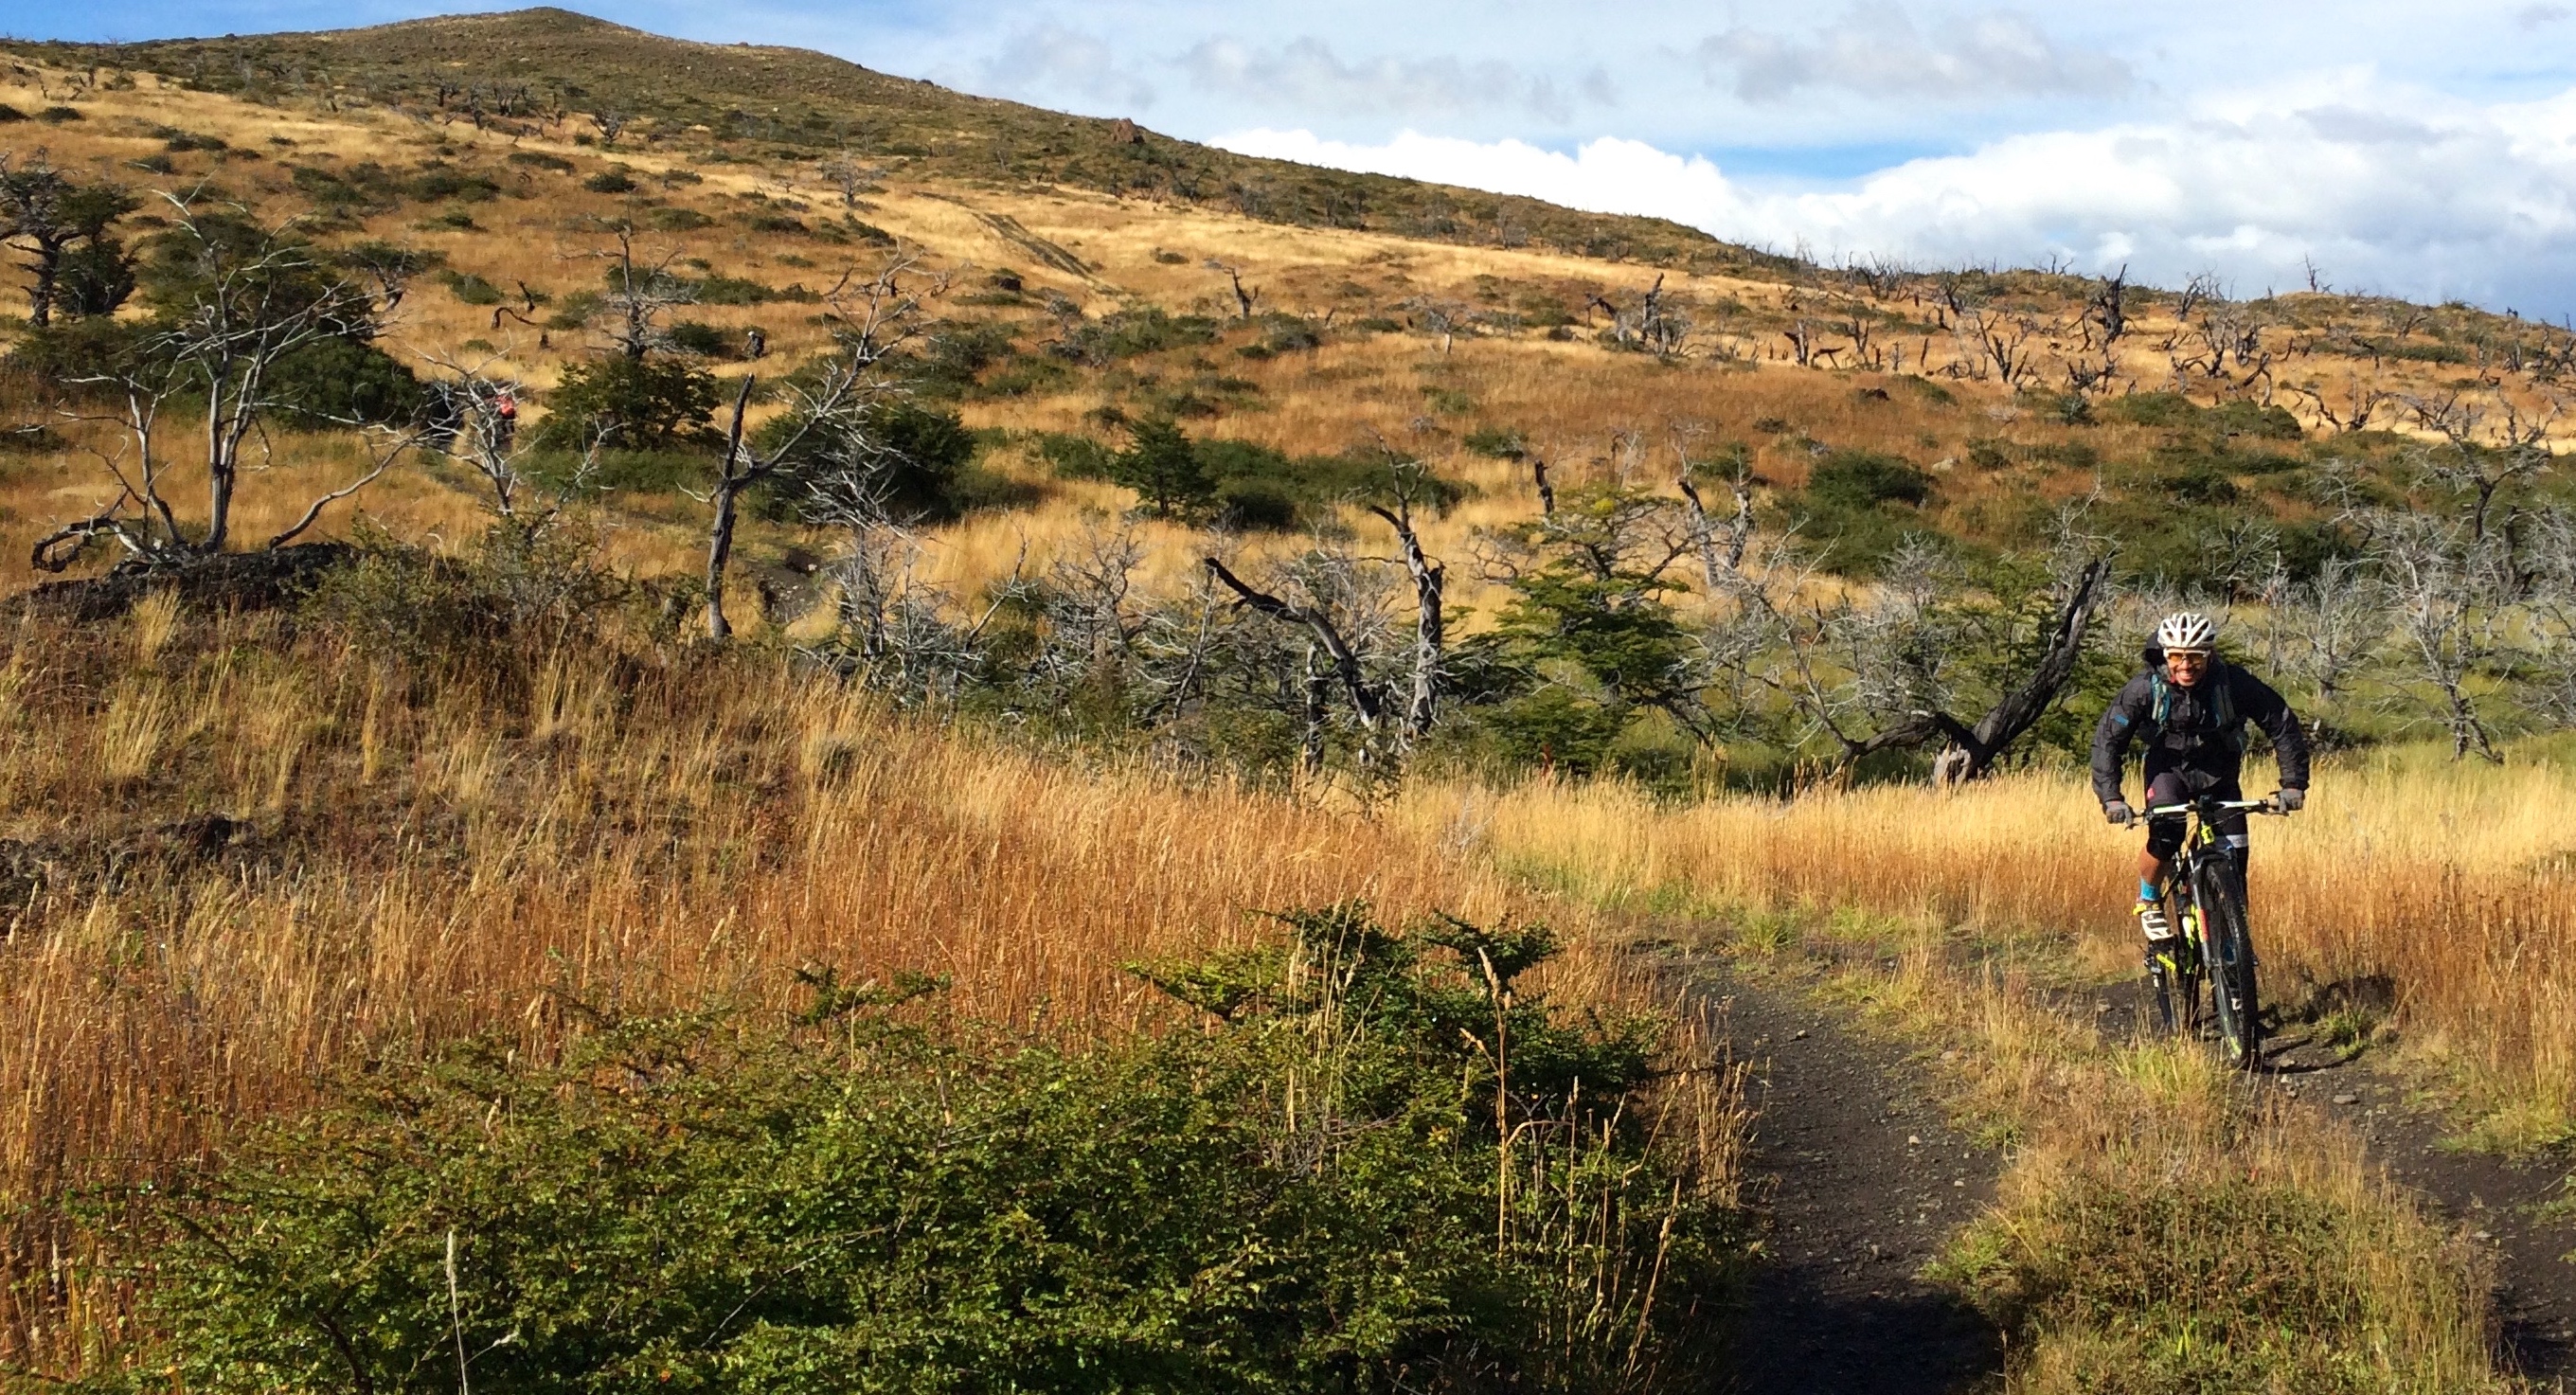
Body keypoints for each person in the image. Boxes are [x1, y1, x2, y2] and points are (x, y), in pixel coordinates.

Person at [2090, 611, 2310, 947]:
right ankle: (2149, 899)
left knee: (2234, 868)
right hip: (2168, 771)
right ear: (2165, 656)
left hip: (2220, 774)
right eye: (2177, 656)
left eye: (2195, 656)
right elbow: (2109, 739)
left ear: (2210, 655)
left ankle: (2231, 958)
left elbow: (2280, 723)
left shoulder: (2233, 683)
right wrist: (2112, 798)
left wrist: (2293, 784)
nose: (2185, 665)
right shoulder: (2143, 689)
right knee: (2167, 835)